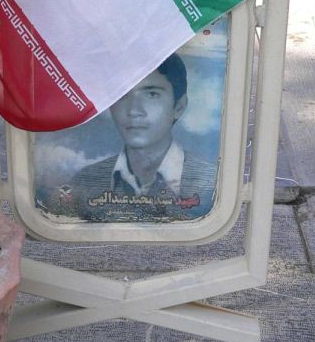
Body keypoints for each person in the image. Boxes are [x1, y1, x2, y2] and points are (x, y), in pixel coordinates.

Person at [71, 54, 217, 221]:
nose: (134, 111)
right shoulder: (84, 181)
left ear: (179, 106)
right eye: (122, 95)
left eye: (152, 94)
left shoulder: (211, 182)